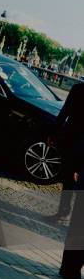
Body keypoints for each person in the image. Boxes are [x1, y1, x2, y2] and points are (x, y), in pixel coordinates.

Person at [53, 83, 84, 223]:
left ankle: (64, 212)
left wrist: (54, 132)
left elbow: (65, 111)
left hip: (73, 139)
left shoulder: (78, 88)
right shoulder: (77, 88)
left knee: (68, 179)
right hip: (75, 141)